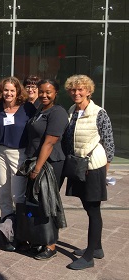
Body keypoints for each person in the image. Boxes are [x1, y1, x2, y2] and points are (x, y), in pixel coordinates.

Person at [63, 75, 114, 270]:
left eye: (80, 89)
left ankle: (89, 256)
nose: (76, 93)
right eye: (73, 90)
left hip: (93, 167)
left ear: (89, 91)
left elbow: (109, 143)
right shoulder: (71, 111)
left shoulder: (99, 112)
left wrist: (103, 172)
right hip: (79, 165)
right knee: (88, 207)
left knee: (93, 210)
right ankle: (97, 247)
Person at [24, 79, 68, 260]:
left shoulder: (58, 112)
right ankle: (38, 239)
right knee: (35, 203)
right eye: (41, 91)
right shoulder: (39, 110)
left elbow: (50, 142)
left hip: (50, 164)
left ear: (56, 92)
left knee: (47, 203)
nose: (44, 95)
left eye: (48, 92)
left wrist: (37, 168)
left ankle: (51, 244)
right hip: (36, 162)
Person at [0, 77, 36, 250]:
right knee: (3, 191)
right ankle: (7, 232)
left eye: (12, 90)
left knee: (18, 195)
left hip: (19, 153)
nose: (9, 93)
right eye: (6, 90)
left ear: (18, 92)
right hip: (0, 152)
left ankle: (21, 231)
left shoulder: (27, 108)